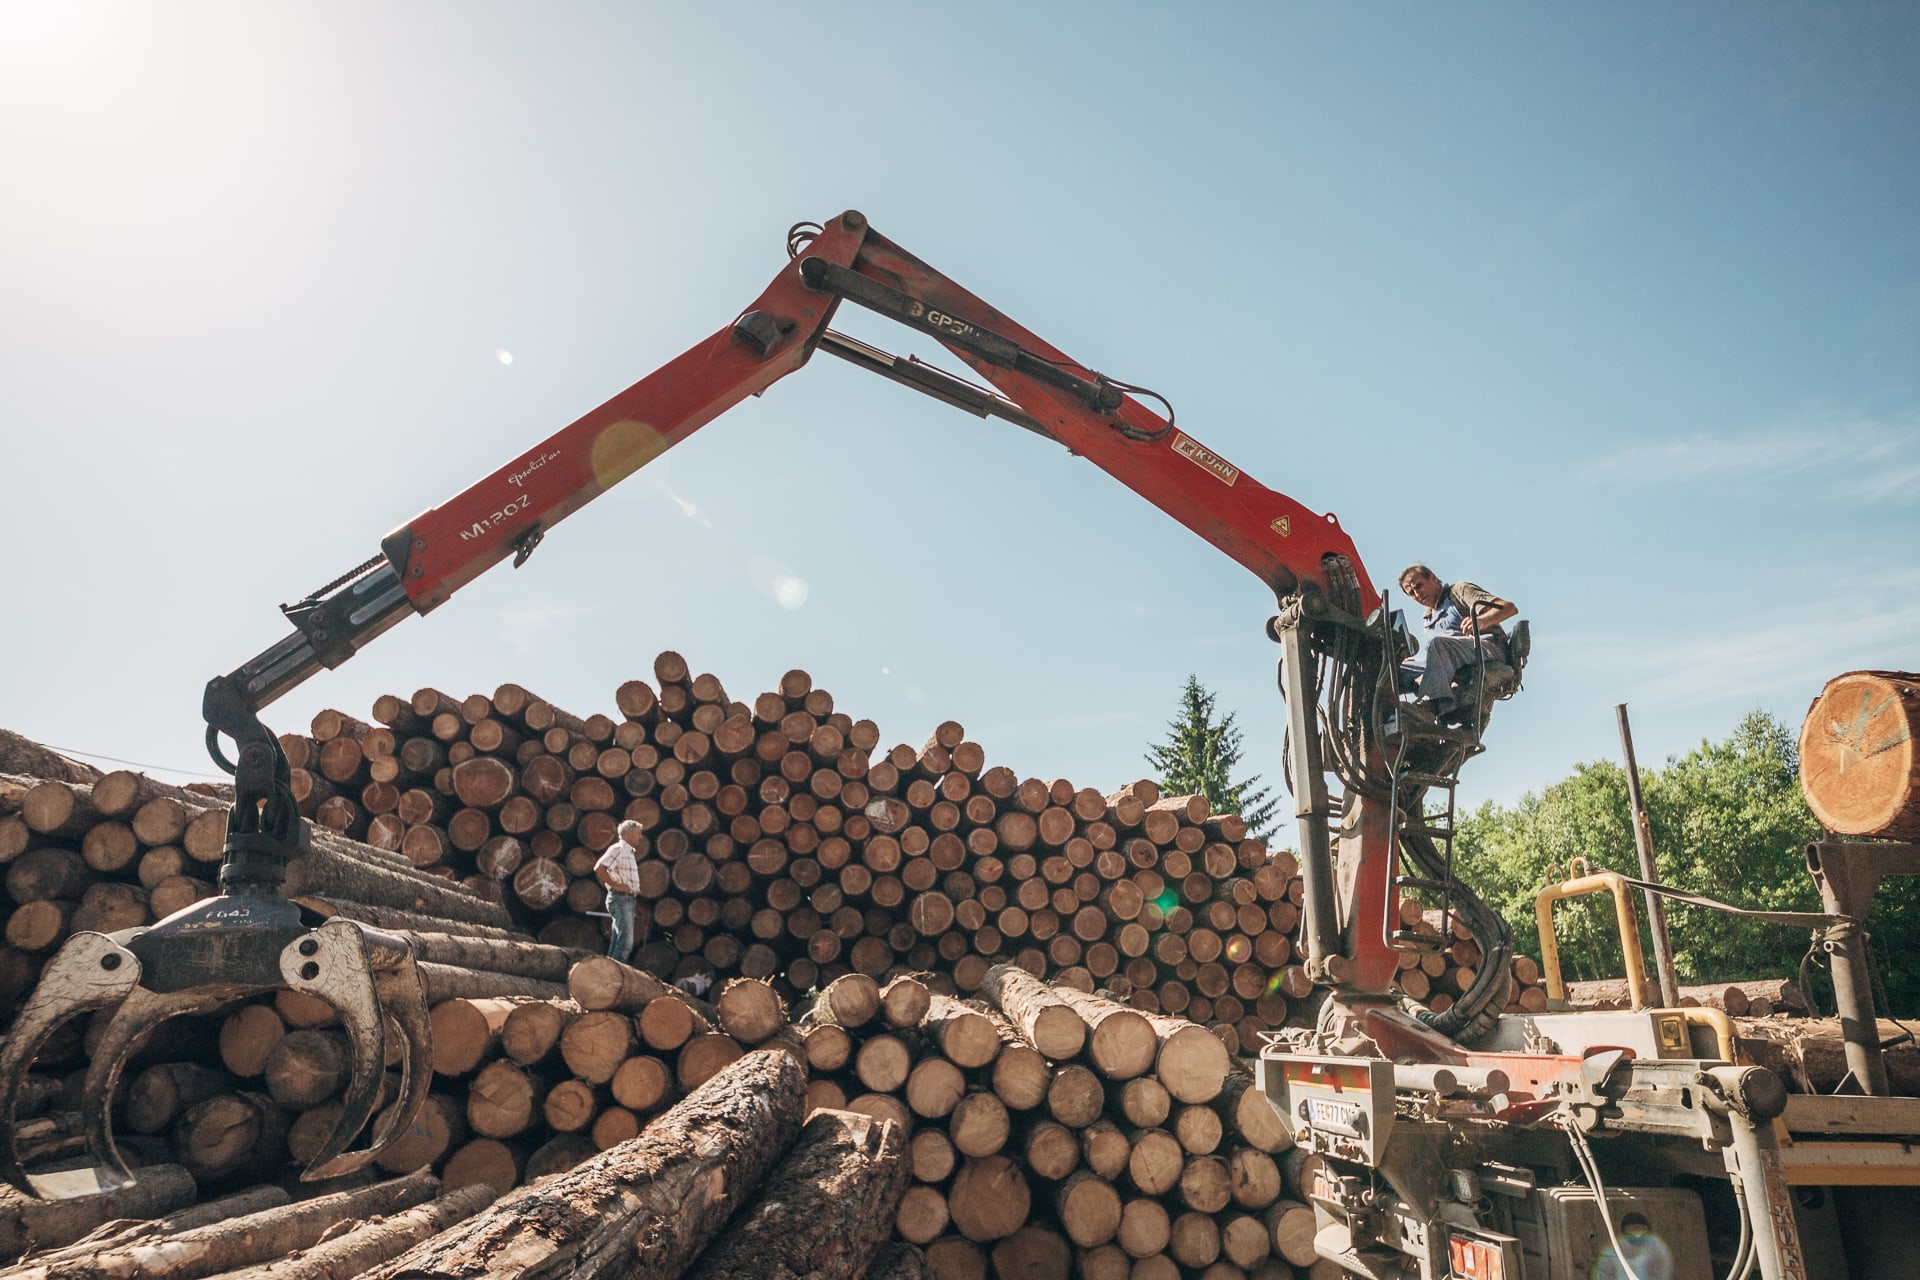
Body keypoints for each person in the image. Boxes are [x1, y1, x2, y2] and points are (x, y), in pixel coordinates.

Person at [1397, 563, 1517, 713]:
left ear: (1433, 578)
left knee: (1439, 644)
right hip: (1453, 655)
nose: (1417, 594)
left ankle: (1432, 704)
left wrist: (1481, 621)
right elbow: (1439, 657)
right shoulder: (1428, 619)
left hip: (1486, 649)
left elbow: (1509, 608)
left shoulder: (1458, 592)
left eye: (1419, 586)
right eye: (1411, 593)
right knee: (1397, 669)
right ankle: (1385, 715)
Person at [593, 820, 645, 963]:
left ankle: (608, 969)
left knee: (618, 941)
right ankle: (615, 972)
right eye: (638, 833)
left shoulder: (628, 852)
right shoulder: (618, 849)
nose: (640, 837)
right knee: (625, 943)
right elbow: (599, 868)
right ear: (628, 834)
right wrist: (616, 886)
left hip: (626, 900)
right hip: (620, 899)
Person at [1593, 1212, 1674, 1280]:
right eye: (1632, 1231)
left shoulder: (1657, 1252)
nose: (1637, 1235)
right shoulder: (1612, 1254)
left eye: (1641, 1230)